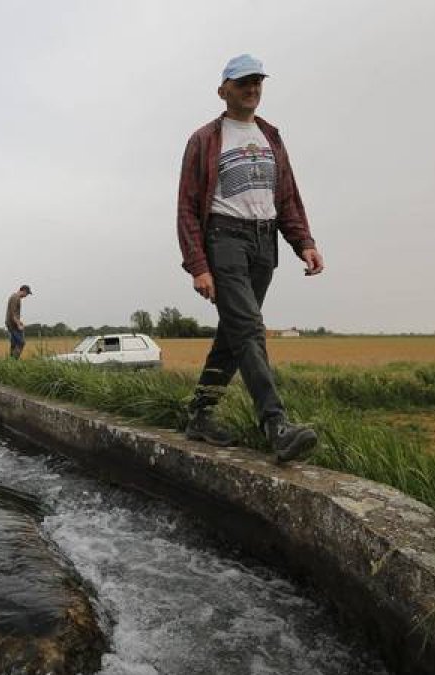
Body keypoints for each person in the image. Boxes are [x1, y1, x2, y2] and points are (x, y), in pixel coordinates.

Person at [176, 54, 325, 463]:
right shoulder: (205, 139)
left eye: (258, 81)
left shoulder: (271, 136)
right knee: (249, 329)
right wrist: (199, 264)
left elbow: (288, 196)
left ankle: (200, 414)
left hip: (265, 243)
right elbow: (188, 206)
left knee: (233, 334)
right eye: (243, 82)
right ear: (223, 89)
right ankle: (276, 425)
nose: (252, 88)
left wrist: (304, 243)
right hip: (224, 238)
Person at [5, 284, 32, 359]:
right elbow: (13, 313)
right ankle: (14, 361)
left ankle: (11, 362)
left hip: (11, 323)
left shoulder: (14, 296)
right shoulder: (16, 298)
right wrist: (18, 325)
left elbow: (14, 313)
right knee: (21, 343)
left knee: (14, 344)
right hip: (13, 324)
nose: (26, 296)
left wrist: (19, 322)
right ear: (24, 291)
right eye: (27, 293)